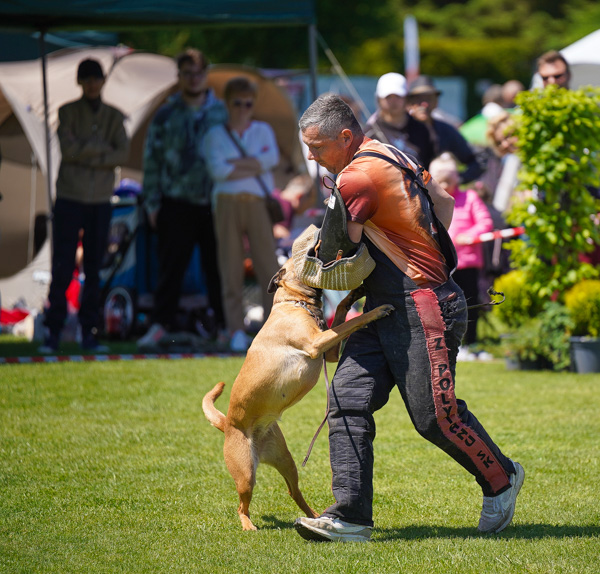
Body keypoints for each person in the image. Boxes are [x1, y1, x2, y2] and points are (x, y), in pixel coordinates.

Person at [294, 94, 524, 542]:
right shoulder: (389, 150)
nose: (311, 156)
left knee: (433, 417)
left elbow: (340, 256)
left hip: (423, 306)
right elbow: (443, 201)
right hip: (391, 303)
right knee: (347, 400)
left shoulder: (355, 177)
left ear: (345, 137)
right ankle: (350, 515)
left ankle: (502, 477)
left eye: (317, 147)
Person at [138, 48, 228, 349]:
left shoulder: (222, 113)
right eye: (187, 73)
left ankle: (226, 328)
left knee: (219, 269)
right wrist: (151, 202)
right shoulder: (165, 113)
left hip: (216, 202)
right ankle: (160, 326)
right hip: (175, 202)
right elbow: (151, 160)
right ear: (179, 77)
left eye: (199, 73)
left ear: (206, 75)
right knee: (170, 269)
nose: (193, 79)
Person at [40, 58, 129, 353]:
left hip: (100, 200)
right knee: (63, 265)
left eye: (96, 78)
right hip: (70, 197)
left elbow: (121, 153)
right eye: (87, 79)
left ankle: (89, 332)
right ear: (80, 82)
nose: (92, 84)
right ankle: (53, 332)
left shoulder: (115, 117)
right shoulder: (68, 112)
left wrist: (86, 151)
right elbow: (69, 149)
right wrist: (102, 150)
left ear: (103, 81)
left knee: (94, 266)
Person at [201, 76, 280, 352]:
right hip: (226, 202)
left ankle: (272, 327)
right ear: (227, 103)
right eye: (238, 103)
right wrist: (254, 164)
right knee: (230, 266)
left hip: (257, 203)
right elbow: (217, 171)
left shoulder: (263, 129)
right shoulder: (214, 134)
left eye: (249, 103)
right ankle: (235, 329)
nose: (244, 108)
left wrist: (237, 164)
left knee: (268, 266)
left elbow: (271, 160)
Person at [428, 153, 493, 361]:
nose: (445, 185)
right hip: (442, 264)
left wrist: (470, 236)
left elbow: (486, 223)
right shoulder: (430, 201)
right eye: (441, 181)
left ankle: (471, 342)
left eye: (449, 180)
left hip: (467, 263)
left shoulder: (470, 197)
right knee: (445, 305)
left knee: (471, 303)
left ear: (457, 179)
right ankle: (447, 342)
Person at [407, 75, 483, 184]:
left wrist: (457, 179)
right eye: (419, 99)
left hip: (438, 197)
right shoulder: (398, 132)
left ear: (436, 102)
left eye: (428, 99)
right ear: (409, 102)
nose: (424, 104)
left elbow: (478, 160)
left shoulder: (445, 131)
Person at [364, 72, 434, 168]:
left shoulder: (422, 130)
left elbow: (431, 163)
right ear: (379, 99)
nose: (393, 101)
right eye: (388, 97)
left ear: (406, 98)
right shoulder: (369, 133)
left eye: (398, 96)